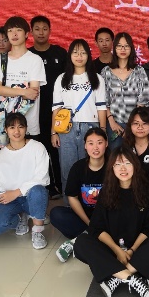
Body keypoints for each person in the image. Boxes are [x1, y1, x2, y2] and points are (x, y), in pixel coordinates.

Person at [74, 146, 149, 297]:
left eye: (127, 163)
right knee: (81, 243)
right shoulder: (106, 191)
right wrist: (117, 250)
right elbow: (97, 227)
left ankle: (116, 276)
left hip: (139, 249)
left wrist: (132, 250)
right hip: (113, 249)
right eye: (118, 164)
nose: (123, 169)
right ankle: (132, 278)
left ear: (135, 166)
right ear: (112, 168)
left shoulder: (148, 190)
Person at [0, 113, 50, 249]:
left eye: (20, 127)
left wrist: (16, 192)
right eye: (12, 127)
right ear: (6, 130)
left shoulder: (37, 147)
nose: (16, 131)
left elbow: (42, 178)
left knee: (38, 191)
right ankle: (21, 217)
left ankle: (37, 231)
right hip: (11, 200)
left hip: (30, 197)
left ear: (26, 128)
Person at [51, 39, 107, 205]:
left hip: (90, 128)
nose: (79, 56)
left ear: (88, 55)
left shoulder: (97, 78)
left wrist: (102, 131)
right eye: (75, 52)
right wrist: (53, 132)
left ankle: (89, 206)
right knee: (67, 170)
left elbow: (101, 107)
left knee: (89, 169)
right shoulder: (62, 79)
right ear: (70, 55)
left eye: (83, 52)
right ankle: (70, 207)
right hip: (66, 130)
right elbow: (56, 108)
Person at [51, 127, 108, 263]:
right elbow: (72, 197)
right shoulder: (78, 168)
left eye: (99, 142)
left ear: (106, 144)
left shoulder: (113, 166)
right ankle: (94, 235)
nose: (95, 147)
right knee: (56, 214)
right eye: (91, 143)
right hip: (84, 218)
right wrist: (89, 223)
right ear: (85, 146)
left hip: (107, 217)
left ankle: (81, 239)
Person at [28, 15, 67, 199]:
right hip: (33, 112)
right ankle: (44, 187)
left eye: (44, 29)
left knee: (57, 150)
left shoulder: (60, 53)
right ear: (31, 32)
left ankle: (61, 186)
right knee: (38, 151)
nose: (41, 32)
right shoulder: (28, 55)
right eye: (37, 29)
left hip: (58, 112)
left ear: (50, 31)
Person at [0, 16, 46, 140]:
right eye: (10, 31)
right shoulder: (0, 59)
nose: (14, 34)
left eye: (18, 30)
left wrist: (9, 91)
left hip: (28, 124)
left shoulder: (35, 60)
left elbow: (32, 93)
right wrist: (23, 91)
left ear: (27, 34)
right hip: (5, 125)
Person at [101, 32, 149, 150]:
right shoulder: (106, 72)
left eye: (126, 46)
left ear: (131, 49)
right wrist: (112, 122)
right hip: (113, 125)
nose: (123, 49)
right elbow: (103, 100)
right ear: (114, 48)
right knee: (114, 158)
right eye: (119, 46)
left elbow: (143, 100)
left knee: (134, 157)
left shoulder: (139, 71)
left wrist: (132, 126)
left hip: (135, 126)